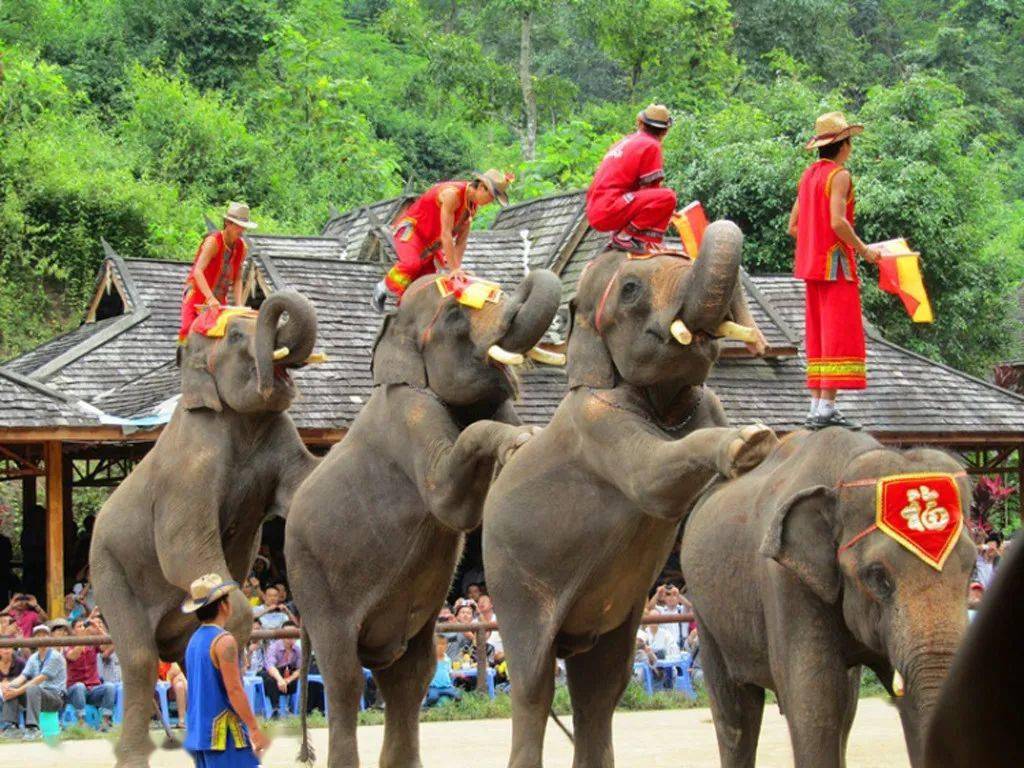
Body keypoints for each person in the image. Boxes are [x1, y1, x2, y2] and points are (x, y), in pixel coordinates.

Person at [788, 111, 880, 430]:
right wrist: (864, 249)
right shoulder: (839, 175)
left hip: (812, 266)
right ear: (844, 145)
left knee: (818, 333)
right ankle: (827, 406)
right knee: (839, 333)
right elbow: (838, 222)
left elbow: (794, 226)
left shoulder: (808, 175)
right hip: (836, 265)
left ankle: (816, 405)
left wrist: (817, 241)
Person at [370, 170, 513, 312]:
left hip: (431, 244)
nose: (490, 202)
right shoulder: (452, 194)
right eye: (491, 197)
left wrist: (457, 269)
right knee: (411, 264)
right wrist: (454, 268)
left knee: (425, 285)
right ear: (482, 187)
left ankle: (403, 312)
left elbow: (461, 241)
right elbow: (446, 234)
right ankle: (382, 287)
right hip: (414, 232)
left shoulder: (472, 207)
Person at [181, 574, 269, 767]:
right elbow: (234, 689)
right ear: (224, 606)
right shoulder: (224, 641)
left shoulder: (193, 641)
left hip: (200, 732)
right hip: (224, 734)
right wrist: (254, 728)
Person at [586, 104, 678, 254]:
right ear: (665, 131)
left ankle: (621, 234)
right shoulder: (651, 145)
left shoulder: (624, 141)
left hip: (596, 209)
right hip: (610, 208)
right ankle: (625, 237)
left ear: (640, 122)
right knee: (668, 197)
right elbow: (651, 189)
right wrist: (663, 211)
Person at [178, 202, 256, 343]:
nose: (241, 230)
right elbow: (198, 271)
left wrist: (239, 304)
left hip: (219, 298)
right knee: (187, 329)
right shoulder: (213, 242)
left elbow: (238, 278)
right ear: (228, 223)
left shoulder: (241, 247)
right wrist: (210, 298)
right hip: (197, 294)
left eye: (243, 227)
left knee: (223, 331)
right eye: (238, 226)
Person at [0, 624, 67, 739]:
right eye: (38, 635)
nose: (41, 638)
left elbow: (38, 680)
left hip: (55, 698)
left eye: (44, 635)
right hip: (35, 695)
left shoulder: (55, 657)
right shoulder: (33, 657)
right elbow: (23, 677)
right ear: (33, 639)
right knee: (11, 690)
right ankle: (11, 728)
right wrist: (8, 686)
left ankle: (33, 728)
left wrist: (16, 692)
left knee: (31, 688)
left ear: (49, 637)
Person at [65, 618, 115, 730]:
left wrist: (98, 629)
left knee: (110, 687)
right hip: (75, 691)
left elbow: (108, 646)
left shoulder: (92, 644)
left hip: (93, 690)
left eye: (84, 625)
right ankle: (81, 722)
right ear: (73, 631)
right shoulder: (68, 644)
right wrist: (83, 638)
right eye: (79, 626)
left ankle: (106, 722)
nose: (84, 628)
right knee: (79, 686)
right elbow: (73, 656)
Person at [262, 621, 302, 718]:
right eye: (287, 634)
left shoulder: (297, 650)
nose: (290, 637)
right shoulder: (274, 647)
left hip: (287, 678)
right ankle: (275, 710)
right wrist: (280, 680)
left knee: (300, 679)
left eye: (293, 634)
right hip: (273, 675)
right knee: (270, 678)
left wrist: (288, 679)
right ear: (281, 635)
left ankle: (294, 709)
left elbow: (301, 669)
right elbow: (270, 666)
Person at [424, 636, 461, 707]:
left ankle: (453, 711)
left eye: (444, 644)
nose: (441, 647)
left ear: (446, 646)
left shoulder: (448, 659)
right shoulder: (431, 659)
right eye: (439, 644)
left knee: (458, 697)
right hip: (434, 687)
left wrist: (457, 674)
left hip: (447, 687)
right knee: (433, 698)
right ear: (434, 646)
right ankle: (425, 708)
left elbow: (450, 672)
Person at [157, 659, 188, 727]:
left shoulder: (169, 656)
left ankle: (181, 720)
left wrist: (168, 678)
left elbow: (176, 669)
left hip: (170, 678)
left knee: (180, 685)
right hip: (155, 680)